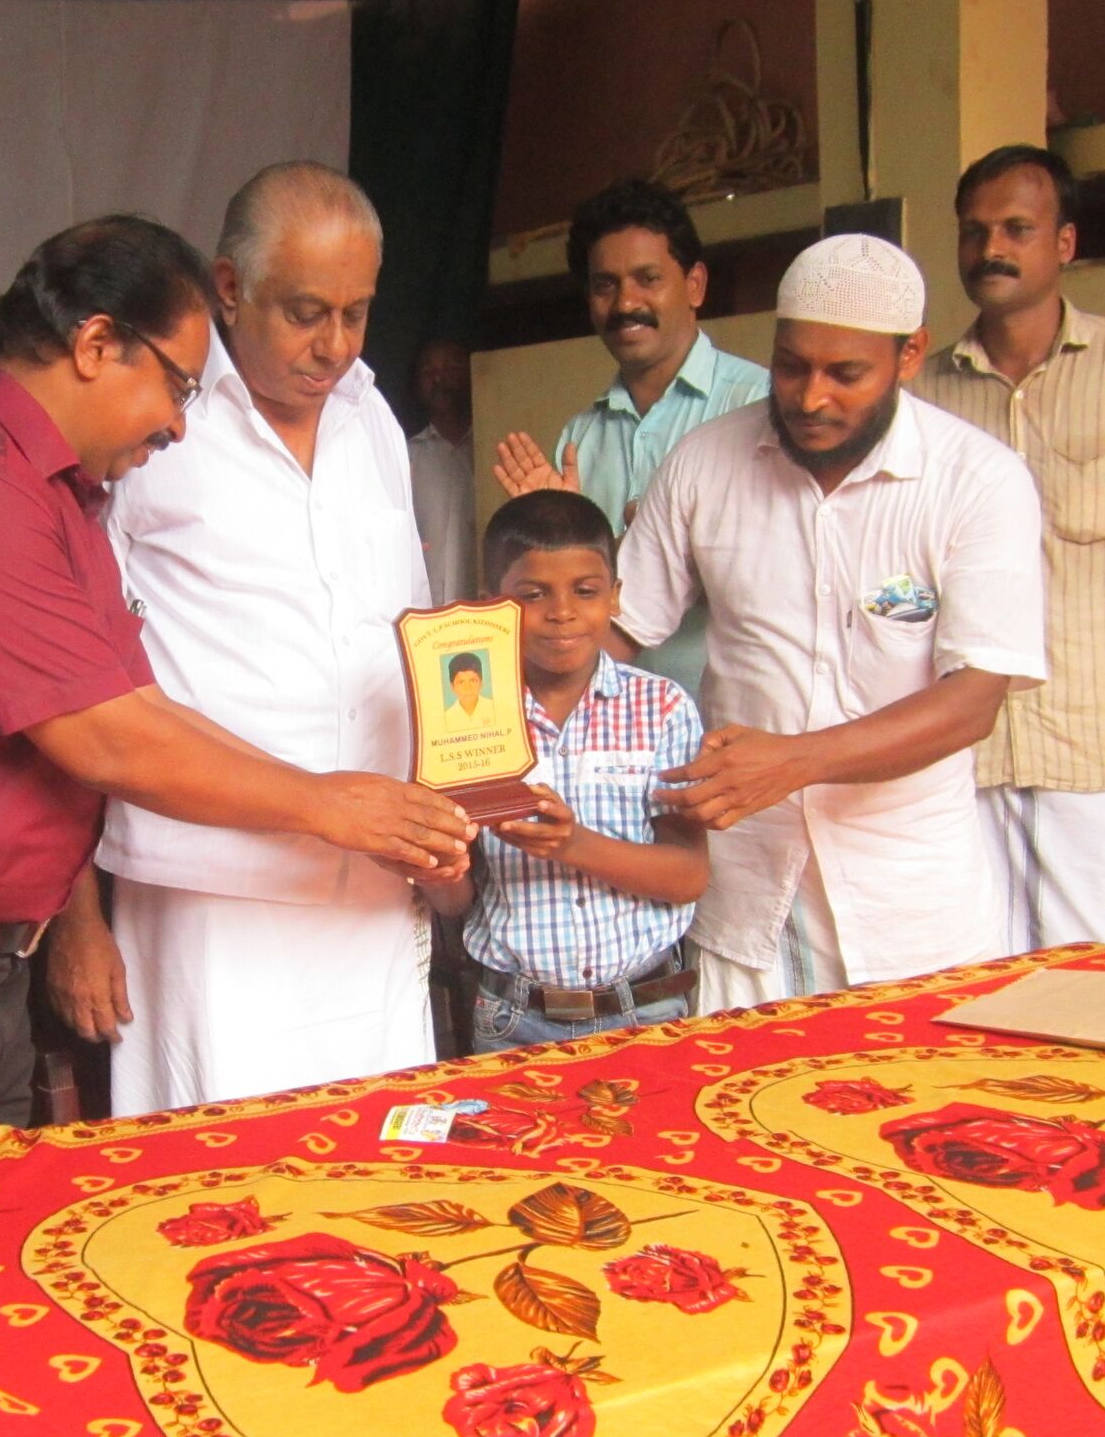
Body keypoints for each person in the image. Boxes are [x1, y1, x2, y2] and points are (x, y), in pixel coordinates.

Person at [0, 211, 467, 1161]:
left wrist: (341, 803)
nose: (178, 423)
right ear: (95, 345)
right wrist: (327, 807)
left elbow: (147, 711)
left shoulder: (58, 491)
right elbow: (106, 739)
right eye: (176, 386)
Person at [45, 163, 445, 1116]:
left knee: (384, 1158)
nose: (335, 345)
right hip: (207, 895)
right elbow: (69, 696)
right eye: (307, 313)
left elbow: (416, 646)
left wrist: (447, 811)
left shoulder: (373, 419)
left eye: (357, 313)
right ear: (229, 287)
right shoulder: (149, 422)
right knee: (221, 1169)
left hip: (370, 888)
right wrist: (75, 918)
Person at [614, 233, 1049, 1009]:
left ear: (909, 355)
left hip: (912, 910)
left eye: (845, 374)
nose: (811, 398)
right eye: (791, 366)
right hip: (746, 905)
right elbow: (615, 633)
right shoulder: (705, 464)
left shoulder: (978, 481)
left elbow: (973, 702)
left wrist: (793, 762)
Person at [910, 144, 1105, 957]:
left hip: (1100, 750)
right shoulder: (922, 394)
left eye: (1016, 228)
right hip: (964, 758)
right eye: (974, 232)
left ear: (1065, 243)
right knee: (975, 986)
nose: (991, 249)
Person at [418, 491, 706, 1045]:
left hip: (647, 1009)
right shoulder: (463, 722)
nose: (562, 612)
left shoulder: (662, 708)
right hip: (512, 1017)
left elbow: (688, 876)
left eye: (586, 591)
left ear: (615, 596)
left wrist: (572, 845)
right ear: (493, 607)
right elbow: (458, 901)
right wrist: (437, 869)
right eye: (533, 594)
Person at [491, 176, 769, 692]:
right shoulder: (581, 436)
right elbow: (558, 603)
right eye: (605, 285)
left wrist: (649, 538)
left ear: (695, 284)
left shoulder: (756, 406)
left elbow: (770, 570)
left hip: (726, 720)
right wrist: (560, 541)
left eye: (648, 278)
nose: (625, 303)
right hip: (609, 722)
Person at [408, 336, 476, 604]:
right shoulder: (405, 455)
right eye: (428, 372)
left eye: (450, 368)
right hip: (423, 610)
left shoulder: (493, 449)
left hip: (488, 607)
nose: (438, 379)